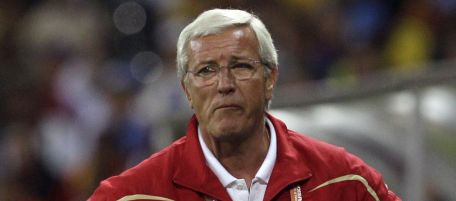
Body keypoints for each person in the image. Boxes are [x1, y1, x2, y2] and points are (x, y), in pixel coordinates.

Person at [88, 8, 401, 201]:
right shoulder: (132, 195)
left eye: (240, 66)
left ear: (270, 79)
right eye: (206, 70)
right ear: (186, 90)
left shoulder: (343, 182)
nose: (224, 85)